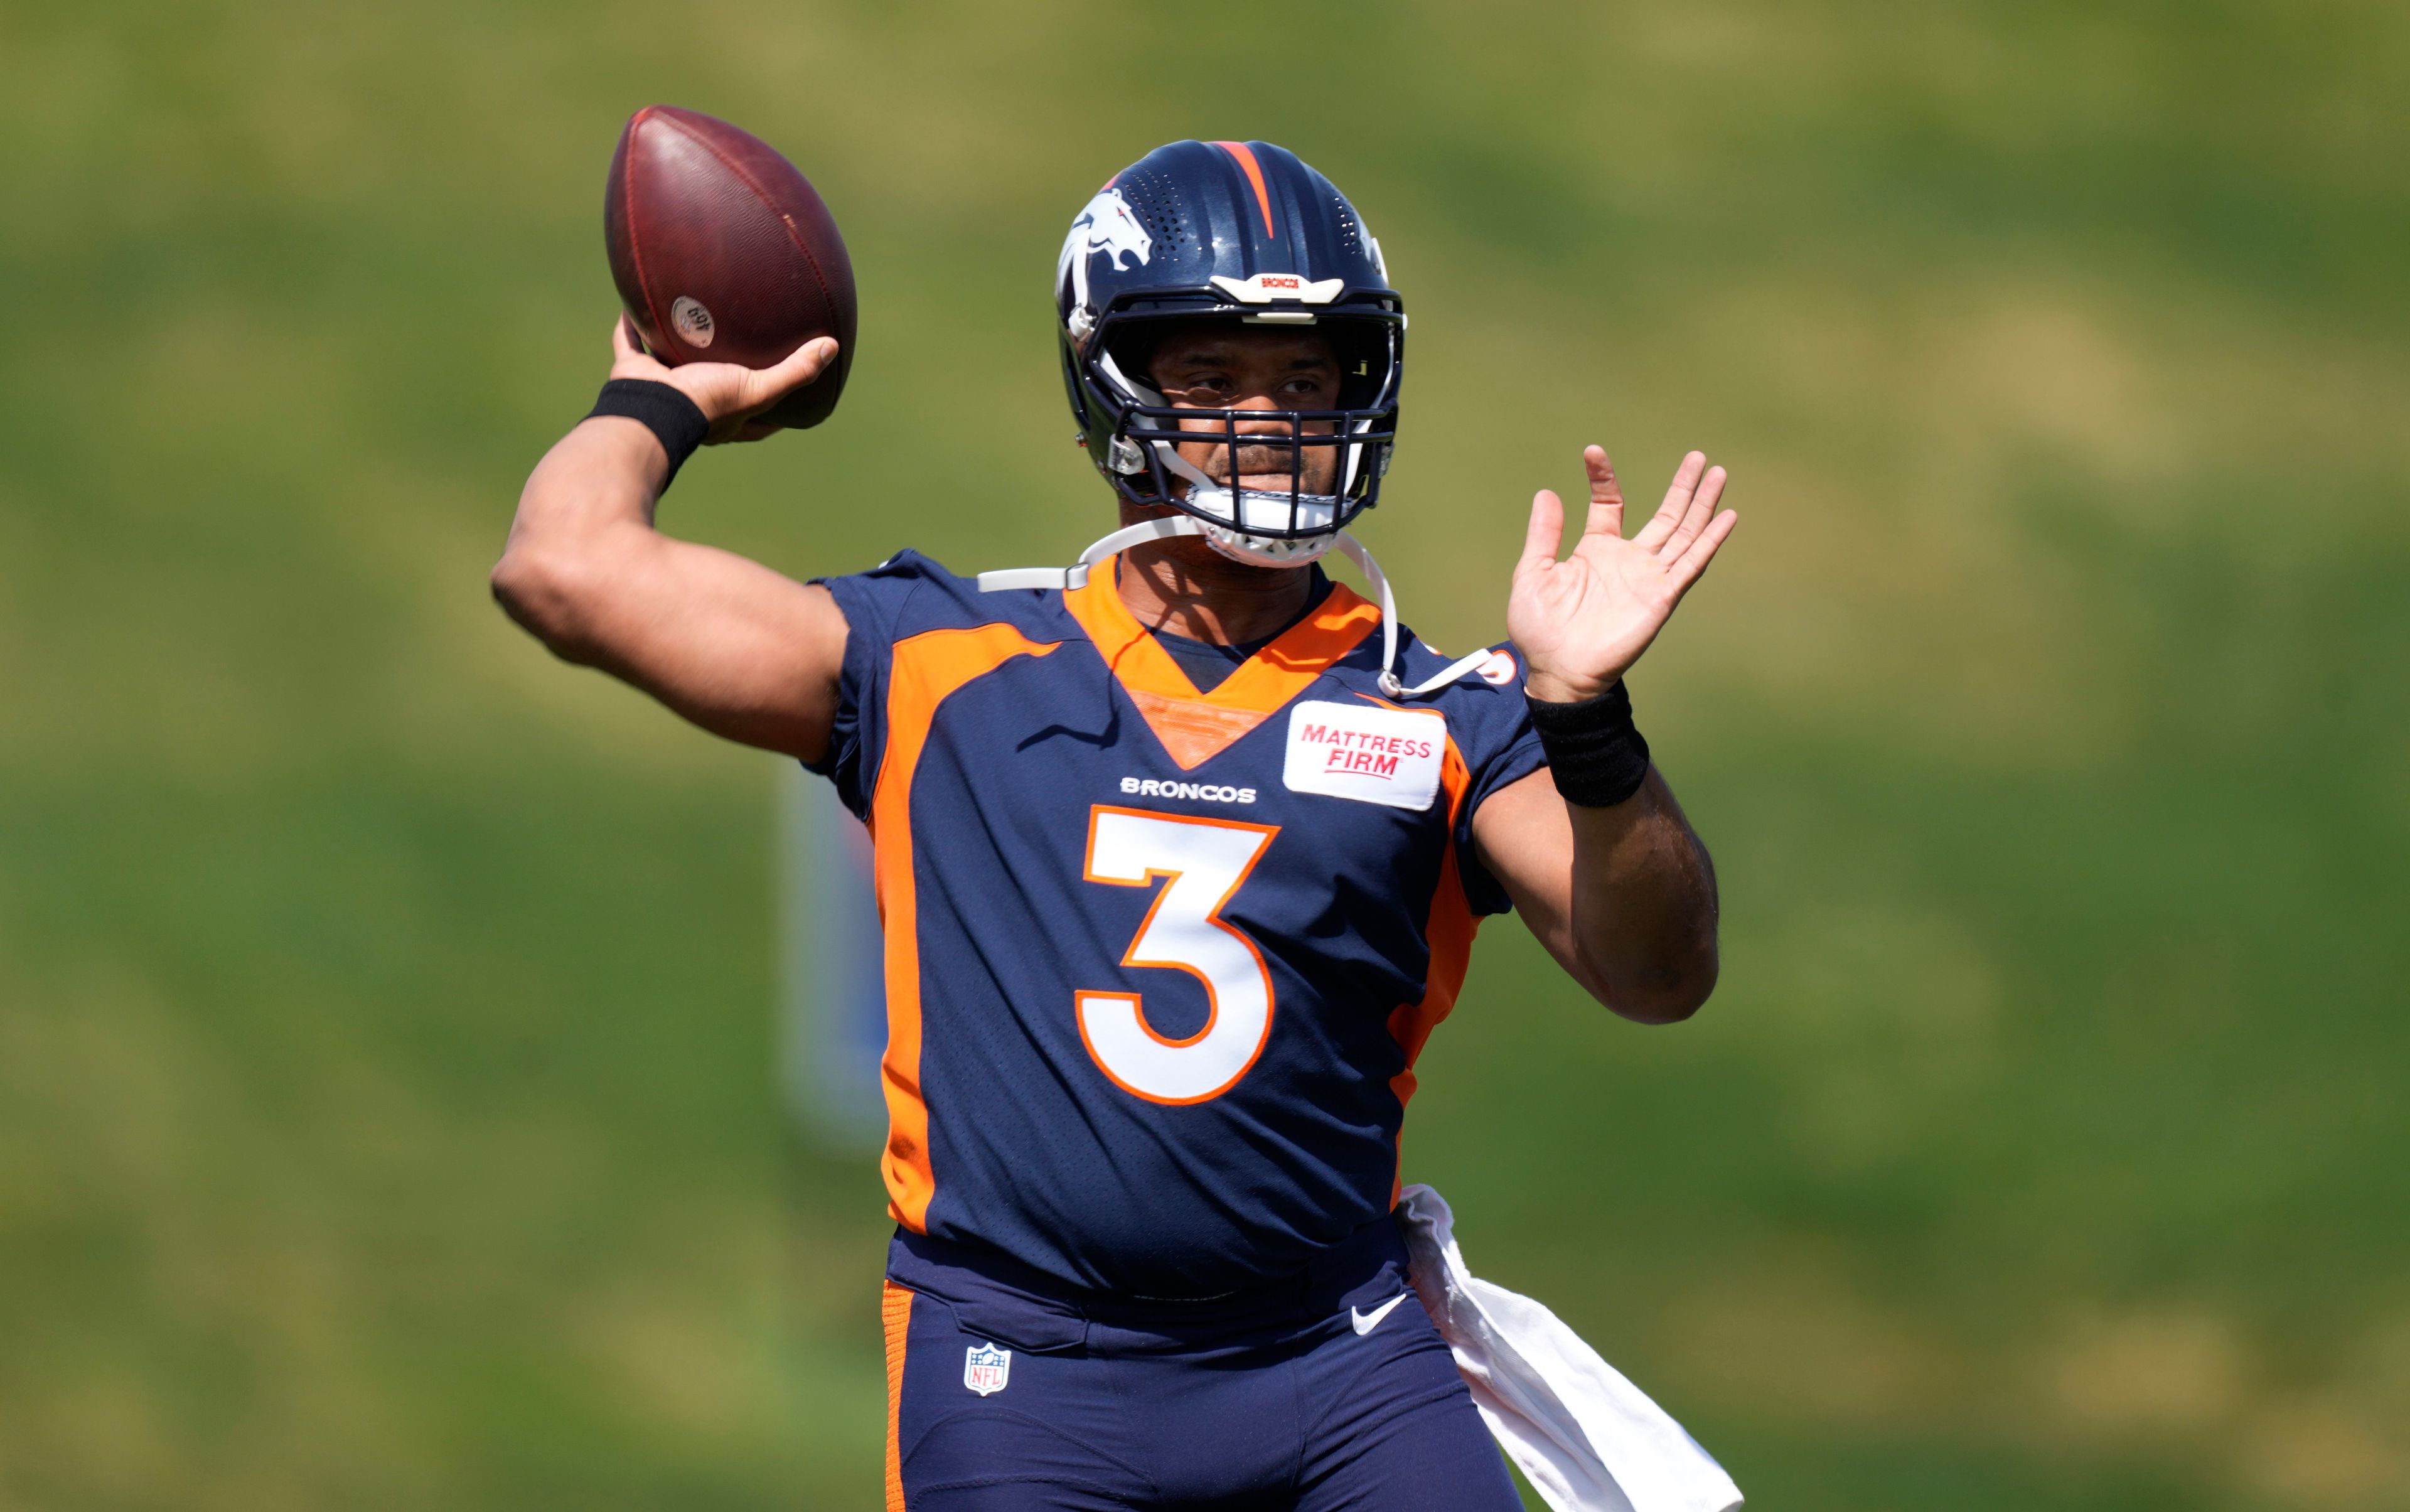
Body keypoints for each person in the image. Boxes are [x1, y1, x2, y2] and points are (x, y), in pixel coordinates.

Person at [495, 138, 1735, 1512]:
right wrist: (656, 398)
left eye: (1307, 377)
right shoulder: (940, 660)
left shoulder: (1443, 707)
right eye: (1213, 377)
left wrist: (1587, 718)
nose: (1269, 416)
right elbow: (566, 567)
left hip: (1338, 1358)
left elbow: (1658, 970)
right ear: (1117, 384)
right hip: (1029, 1369)